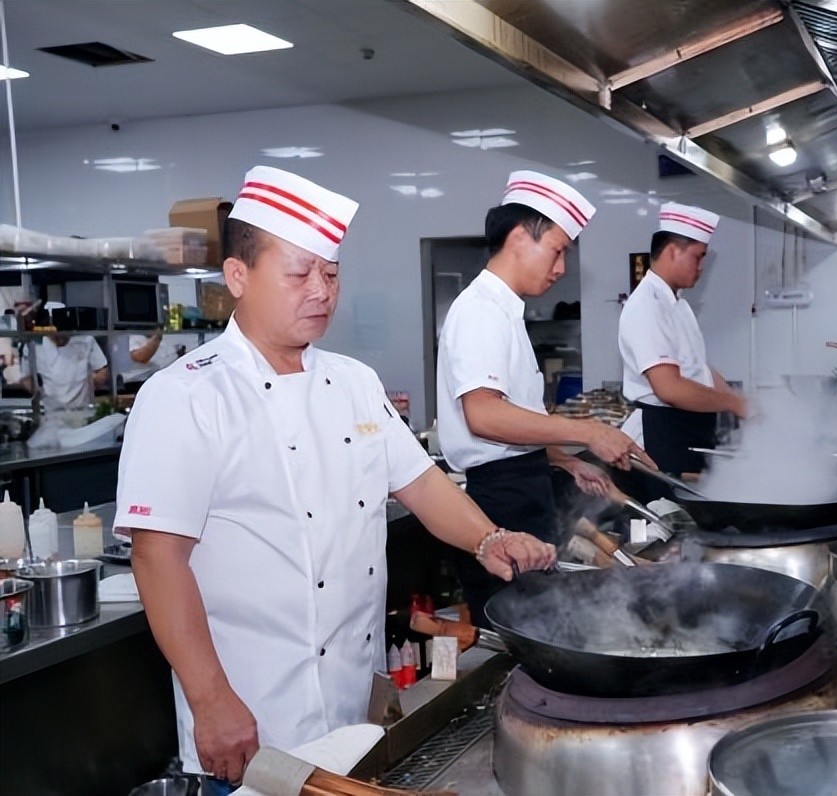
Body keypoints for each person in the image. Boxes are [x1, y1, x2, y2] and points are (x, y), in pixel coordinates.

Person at [115, 166, 555, 791]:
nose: (321, 291)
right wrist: (210, 700)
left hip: (354, 713)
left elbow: (423, 483)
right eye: (299, 274)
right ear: (238, 277)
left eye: (331, 273)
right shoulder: (184, 396)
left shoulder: (353, 382)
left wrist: (489, 539)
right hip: (250, 720)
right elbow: (158, 559)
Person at [437, 170, 653, 624]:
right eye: (556, 252)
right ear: (519, 236)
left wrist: (564, 459)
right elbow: (484, 416)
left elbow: (517, 418)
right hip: (500, 501)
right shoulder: (480, 311)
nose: (560, 269)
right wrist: (588, 432)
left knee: (543, 627)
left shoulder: (506, 312)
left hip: (524, 485)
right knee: (523, 634)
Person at [618, 202, 747, 499]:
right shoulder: (646, 305)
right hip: (662, 434)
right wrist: (733, 404)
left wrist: (739, 401)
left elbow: (697, 368)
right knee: (672, 519)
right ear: (673, 250)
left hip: (687, 429)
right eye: (698, 258)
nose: (700, 268)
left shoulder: (678, 304)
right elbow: (670, 388)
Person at [18, 303, 109, 410]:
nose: (60, 338)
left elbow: (103, 370)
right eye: (55, 335)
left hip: (82, 409)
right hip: (51, 410)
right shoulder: (34, 344)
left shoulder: (85, 339)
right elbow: (25, 378)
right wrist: (41, 395)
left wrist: (94, 383)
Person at [121, 330, 187, 392]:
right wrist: (157, 337)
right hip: (138, 383)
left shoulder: (168, 338)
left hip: (168, 378)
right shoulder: (131, 337)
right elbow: (141, 357)